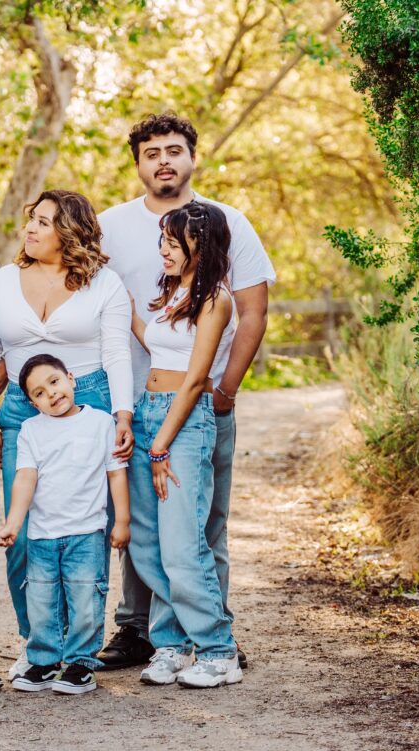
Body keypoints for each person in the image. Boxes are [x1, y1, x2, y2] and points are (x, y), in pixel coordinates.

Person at [98, 113, 275, 670]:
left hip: (196, 407)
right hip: (132, 405)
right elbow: (107, 305)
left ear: (192, 156)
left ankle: (213, 636)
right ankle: (150, 635)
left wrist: (223, 392)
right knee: (146, 533)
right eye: (152, 153)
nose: (164, 160)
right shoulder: (111, 225)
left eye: (174, 150)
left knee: (199, 527)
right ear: (138, 163)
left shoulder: (227, 224)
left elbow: (253, 313)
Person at [0, 189, 134, 680]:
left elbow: (116, 353)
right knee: (23, 532)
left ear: (69, 232)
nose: (31, 229)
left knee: (83, 529)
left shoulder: (104, 284)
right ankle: (38, 643)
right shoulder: (3, 281)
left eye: (44, 222)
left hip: (88, 403)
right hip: (21, 408)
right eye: (32, 220)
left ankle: (79, 650)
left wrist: (123, 415)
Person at [127, 200, 241, 688]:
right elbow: (156, 346)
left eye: (173, 243)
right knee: (147, 544)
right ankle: (170, 644)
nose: (164, 251)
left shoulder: (217, 299)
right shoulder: (174, 293)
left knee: (182, 543)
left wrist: (160, 446)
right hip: (150, 412)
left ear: (202, 245)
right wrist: (115, 299)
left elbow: (196, 379)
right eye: (162, 242)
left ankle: (219, 651)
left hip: (183, 422)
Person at [0, 354, 130, 696]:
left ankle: (81, 663)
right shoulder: (30, 431)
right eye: (39, 393)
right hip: (42, 534)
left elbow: (116, 474)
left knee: (85, 596)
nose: (51, 394)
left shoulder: (100, 423)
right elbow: (25, 478)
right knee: (41, 599)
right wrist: (14, 522)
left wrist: (123, 520)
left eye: (54, 382)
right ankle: (44, 659)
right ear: (31, 402)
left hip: (86, 532)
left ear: (71, 378)